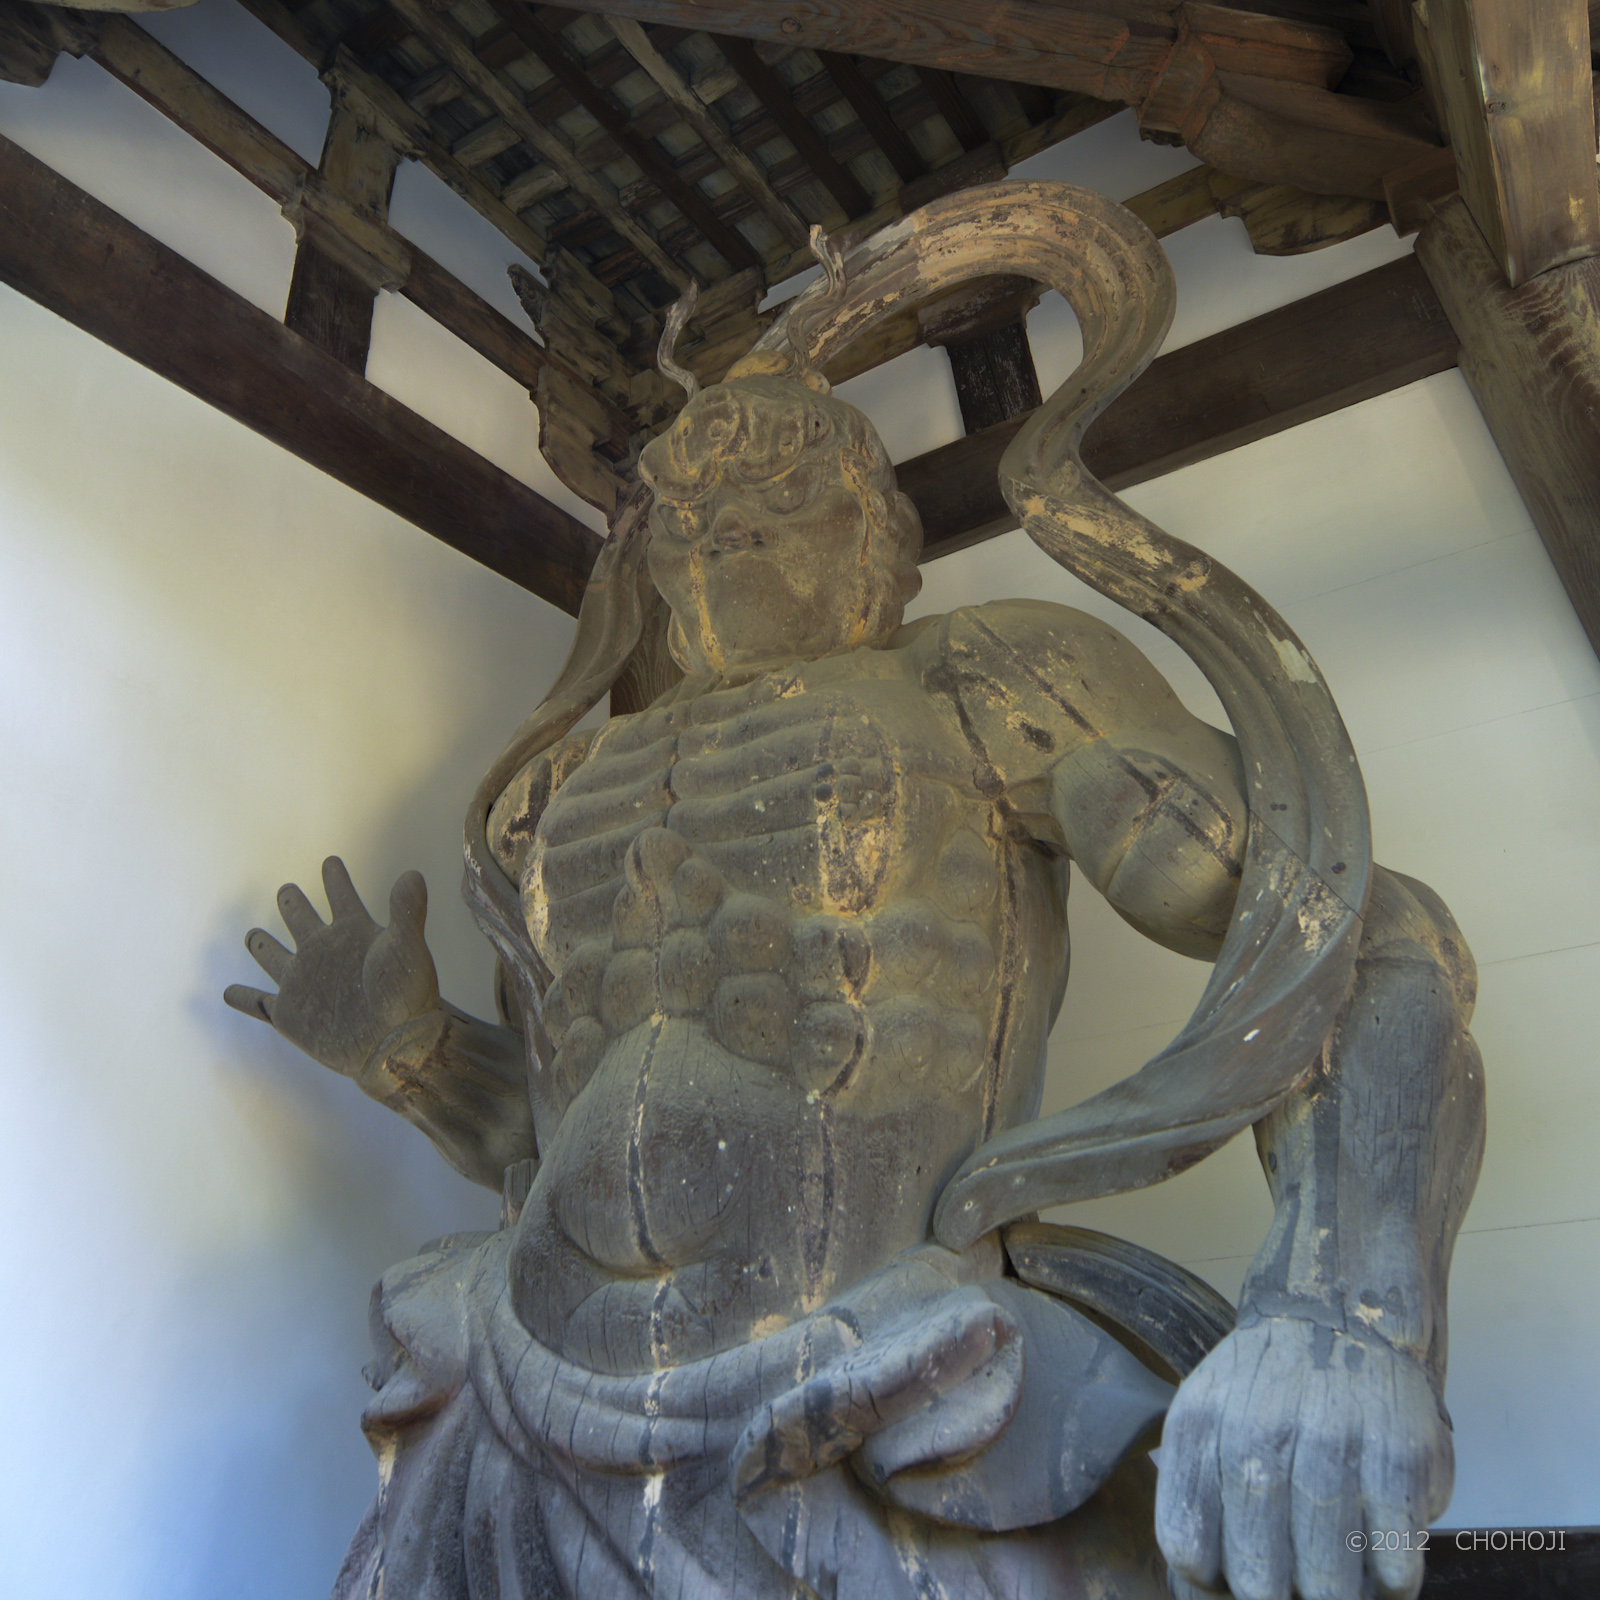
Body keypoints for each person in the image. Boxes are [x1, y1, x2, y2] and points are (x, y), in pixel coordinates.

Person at [226, 188, 1484, 1600]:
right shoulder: (566, 787)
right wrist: (411, 1053)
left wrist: (1341, 1311)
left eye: (777, 496)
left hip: (896, 1372)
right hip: (528, 1390)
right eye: (686, 513)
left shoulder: (988, 680)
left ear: (879, 535)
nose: (720, 534)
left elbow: (1354, 941)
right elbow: (560, 1129)